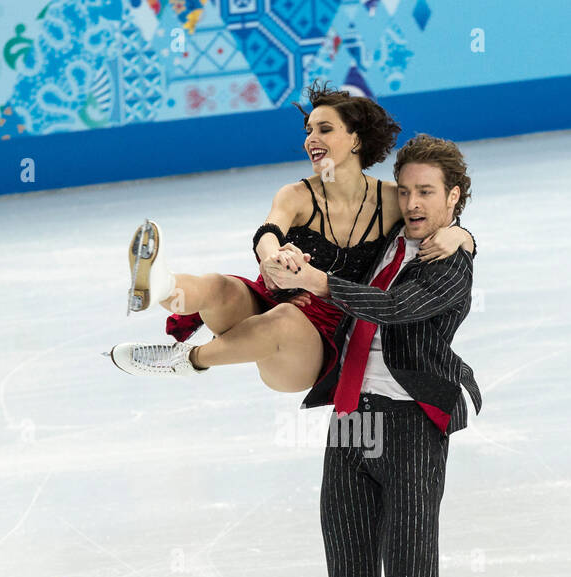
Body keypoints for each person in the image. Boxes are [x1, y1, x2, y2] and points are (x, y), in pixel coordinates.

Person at [263, 133, 483, 577]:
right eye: (407, 191)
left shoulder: (449, 263)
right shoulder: (380, 239)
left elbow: (395, 309)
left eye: (429, 194)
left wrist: (465, 237)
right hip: (350, 422)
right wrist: (284, 254)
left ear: (454, 200)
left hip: (413, 425)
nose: (414, 205)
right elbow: (313, 223)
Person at [108, 81, 475, 389]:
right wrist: (272, 255)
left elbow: (435, 215)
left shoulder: (392, 200)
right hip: (268, 303)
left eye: (324, 129)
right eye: (309, 131)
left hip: (318, 345)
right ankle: (160, 286)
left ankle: (186, 359)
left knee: (283, 318)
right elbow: (268, 231)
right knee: (221, 287)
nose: (310, 139)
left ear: (356, 141)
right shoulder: (297, 195)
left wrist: (462, 235)